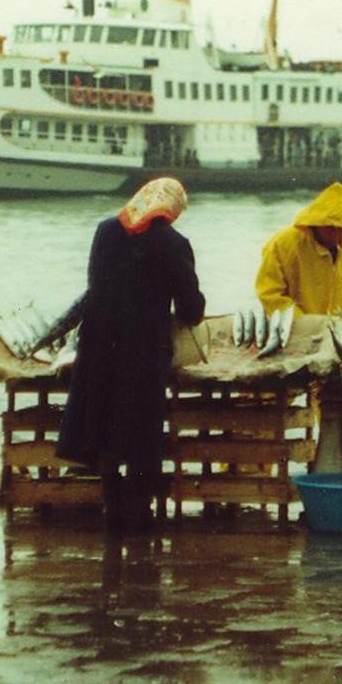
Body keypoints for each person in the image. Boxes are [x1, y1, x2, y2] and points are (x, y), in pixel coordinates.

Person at [53, 178, 206, 533]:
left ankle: (112, 511)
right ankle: (139, 515)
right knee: (140, 429)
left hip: (99, 345)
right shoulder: (173, 243)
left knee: (104, 422)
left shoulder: (106, 231)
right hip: (144, 350)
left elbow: (96, 284)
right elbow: (191, 307)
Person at [253, 182, 342, 325]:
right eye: (330, 228)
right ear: (315, 224)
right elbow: (269, 293)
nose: (336, 235)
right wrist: (306, 324)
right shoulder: (282, 245)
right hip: (294, 328)